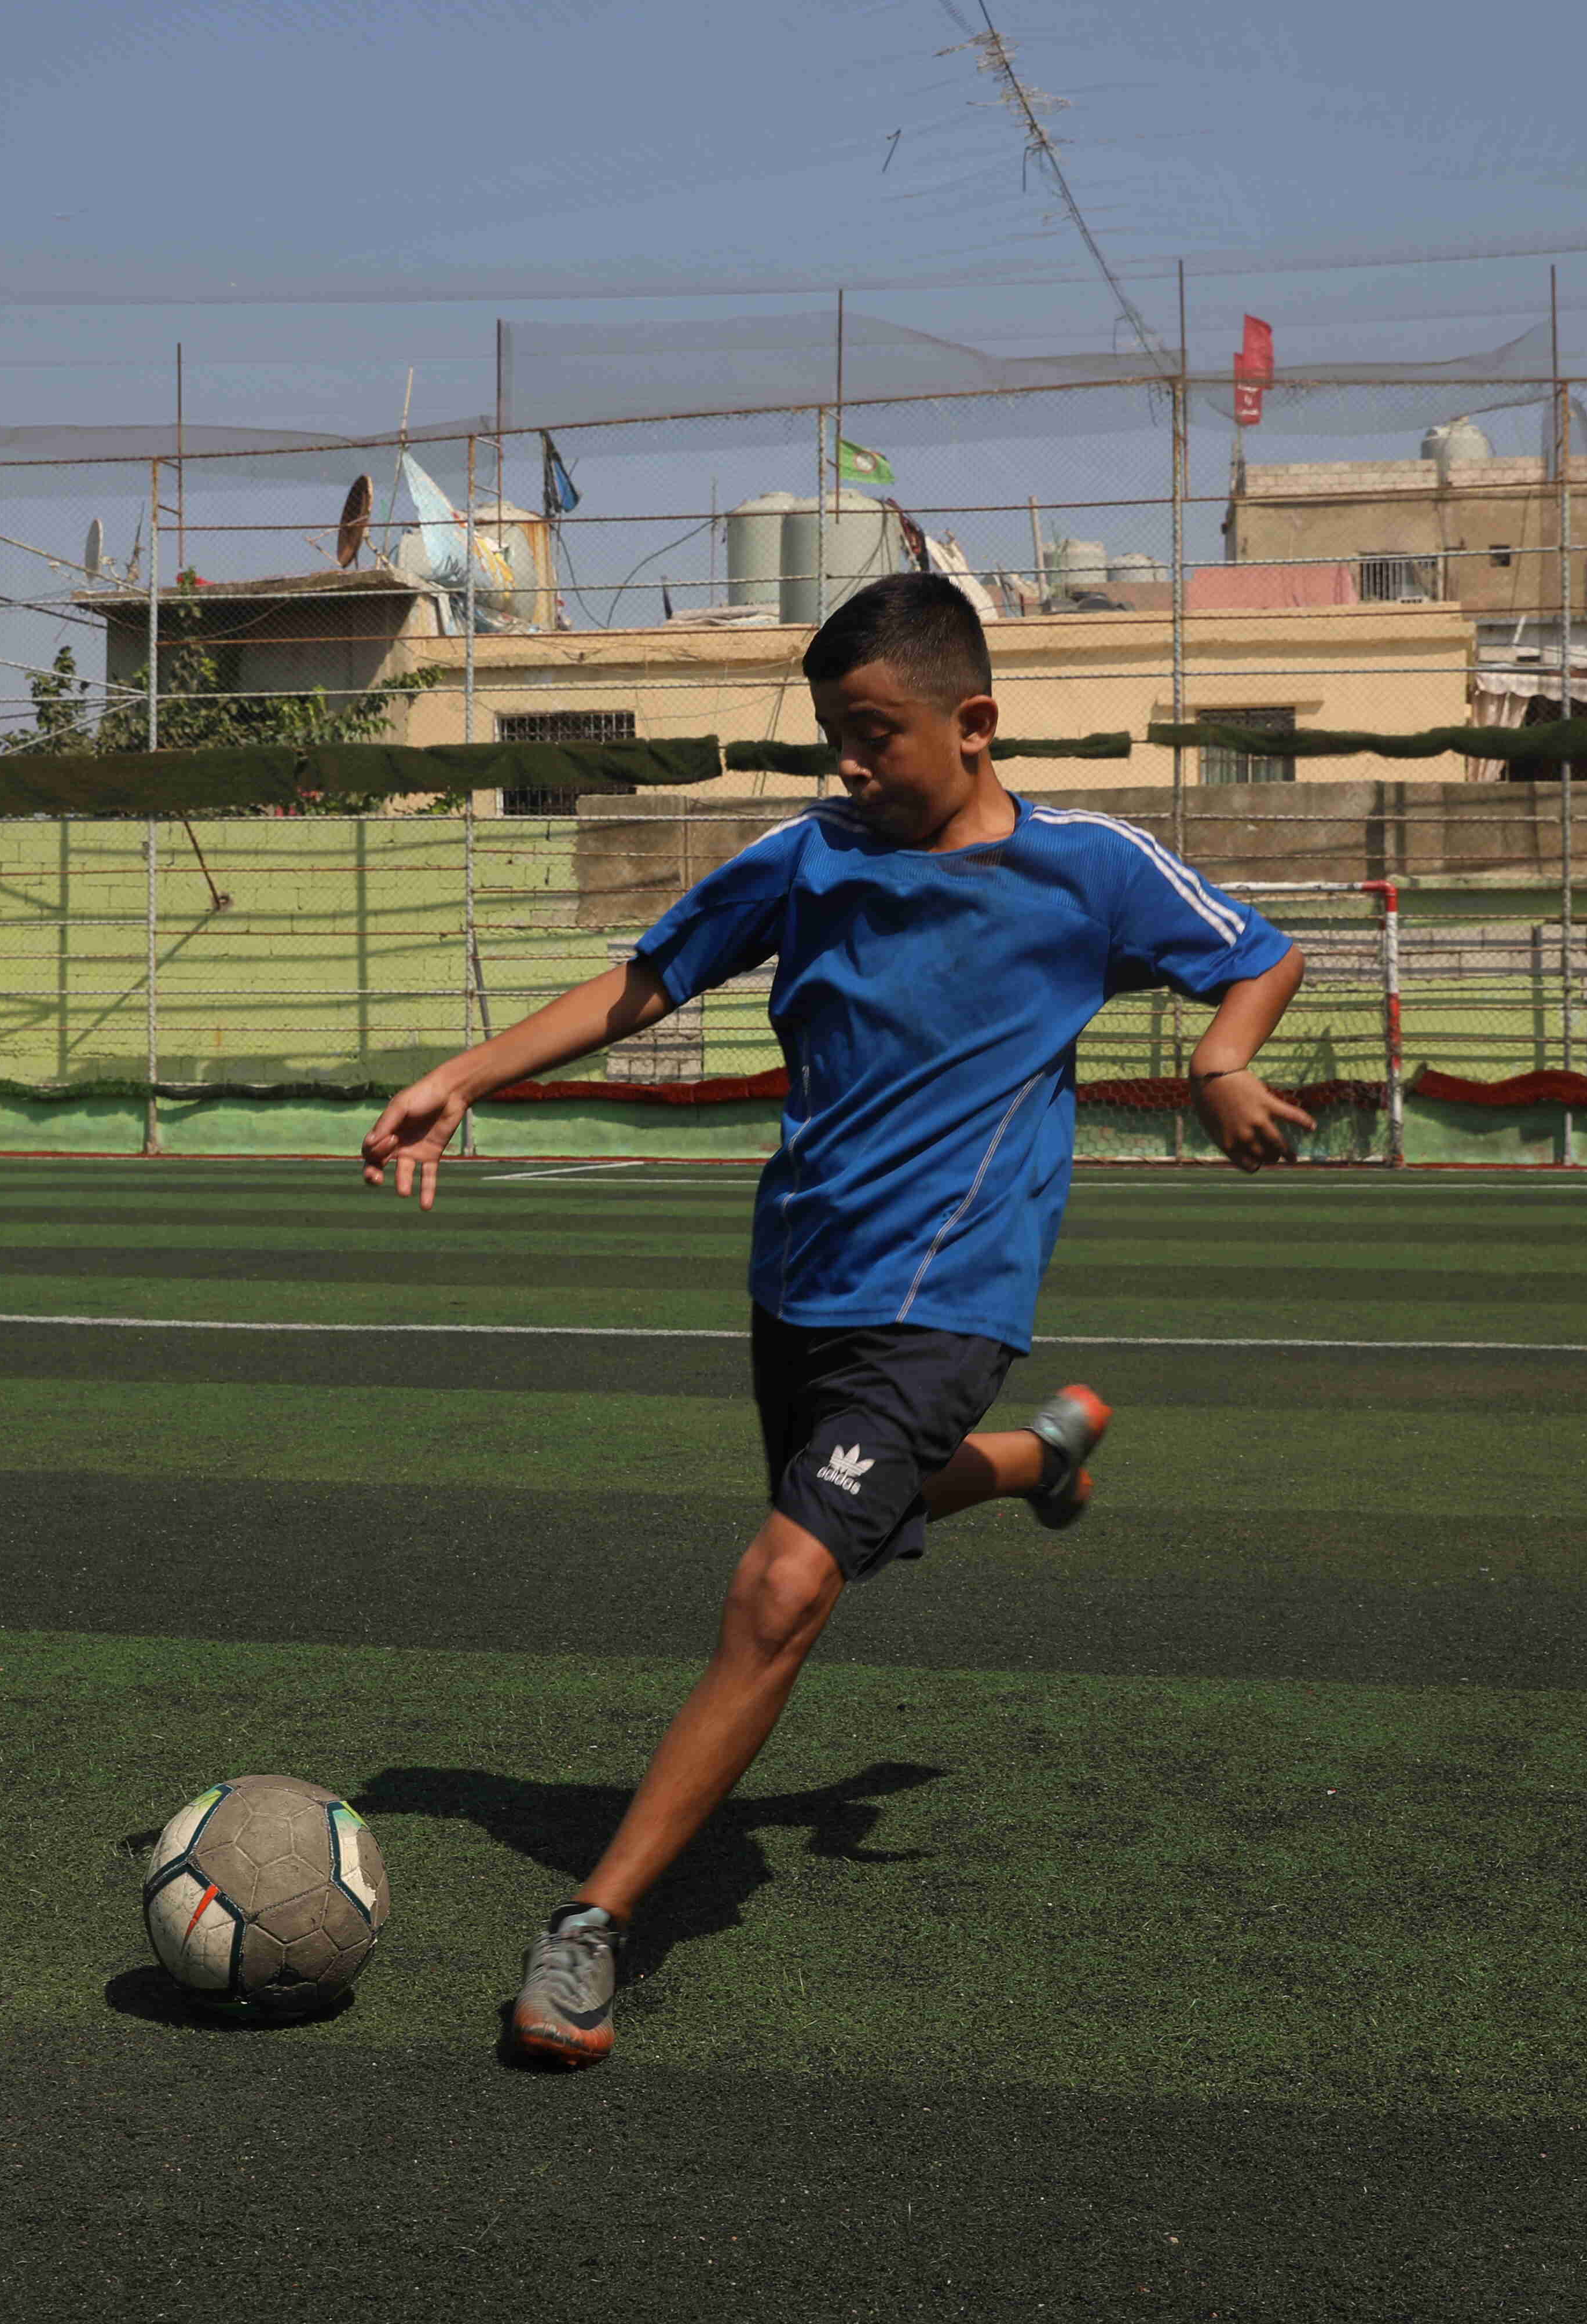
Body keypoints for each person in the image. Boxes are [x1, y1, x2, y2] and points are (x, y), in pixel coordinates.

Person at [357, 572, 1315, 2068]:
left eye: (874, 733)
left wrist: (1222, 1064)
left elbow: (1257, 952)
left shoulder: (1091, 868)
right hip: (799, 1274)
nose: (850, 764)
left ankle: (593, 1927)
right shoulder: (804, 858)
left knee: (785, 1584)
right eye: (832, 736)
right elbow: (648, 980)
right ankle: (1040, 1462)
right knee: (838, 1518)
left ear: (974, 723)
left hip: (953, 1290)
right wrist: (464, 1077)